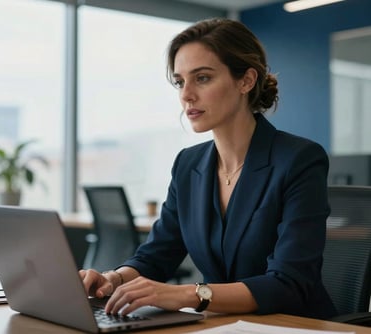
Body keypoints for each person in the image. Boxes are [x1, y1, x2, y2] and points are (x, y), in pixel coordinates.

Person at [80, 17, 337, 320]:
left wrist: (187, 294)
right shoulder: (188, 165)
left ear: (246, 80)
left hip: (294, 325)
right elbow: (158, 253)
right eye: (179, 81)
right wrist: (115, 278)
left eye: (202, 78)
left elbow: (289, 283)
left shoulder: (299, 159)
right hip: (224, 324)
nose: (186, 94)